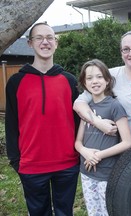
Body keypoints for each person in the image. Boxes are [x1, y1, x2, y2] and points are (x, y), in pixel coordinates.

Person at [73, 31, 131, 215]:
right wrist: (98, 122)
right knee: (118, 205)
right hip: (115, 157)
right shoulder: (109, 75)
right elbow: (79, 103)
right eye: (126, 49)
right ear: (121, 52)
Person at [5, 22, 80, 215]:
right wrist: (15, 159)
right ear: (30, 43)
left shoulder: (69, 80)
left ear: (56, 43)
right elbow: (12, 124)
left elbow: (78, 121)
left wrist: (79, 153)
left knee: (65, 212)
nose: (45, 42)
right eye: (39, 38)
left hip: (67, 163)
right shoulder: (16, 82)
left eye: (50, 38)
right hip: (31, 164)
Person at [75, 59, 131, 215]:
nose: (94, 81)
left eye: (99, 77)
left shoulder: (115, 106)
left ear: (107, 80)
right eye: (89, 78)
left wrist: (98, 155)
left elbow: (127, 142)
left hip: (107, 173)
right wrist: (85, 152)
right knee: (93, 212)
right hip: (87, 172)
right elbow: (78, 142)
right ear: (84, 83)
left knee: (109, 211)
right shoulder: (86, 109)